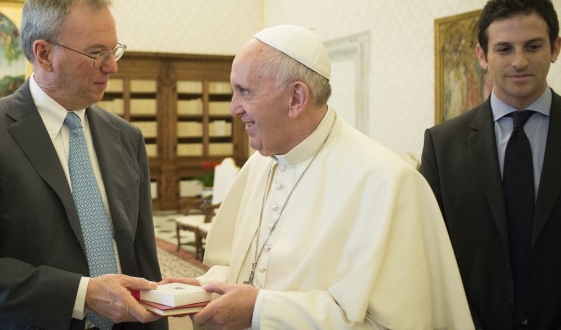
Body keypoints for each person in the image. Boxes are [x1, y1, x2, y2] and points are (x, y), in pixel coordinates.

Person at [164, 24, 473, 329]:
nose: (233, 109)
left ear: (296, 98)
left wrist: (261, 311)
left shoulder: (387, 183)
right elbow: (242, 266)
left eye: (244, 91)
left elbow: (393, 323)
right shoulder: (259, 165)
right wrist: (201, 288)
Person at [0, 0, 167, 329]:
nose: (112, 66)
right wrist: (81, 295)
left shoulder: (126, 137)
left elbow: (143, 261)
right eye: (96, 53)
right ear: (44, 54)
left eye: (113, 51)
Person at [419, 0, 561, 328]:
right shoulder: (442, 145)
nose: (519, 61)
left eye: (533, 46)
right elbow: (429, 252)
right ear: (482, 56)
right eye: (504, 48)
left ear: (555, 48)